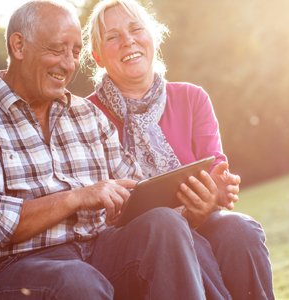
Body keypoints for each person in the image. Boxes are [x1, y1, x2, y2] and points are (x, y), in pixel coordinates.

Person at [0, 1, 220, 299]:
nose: (69, 64)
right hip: (16, 267)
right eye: (57, 50)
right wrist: (77, 197)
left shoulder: (87, 115)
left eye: (75, 53)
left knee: (163, 224)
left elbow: (136, 189)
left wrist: (189, 203)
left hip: (96, 251)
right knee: (78, 279)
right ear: (18, 46)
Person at [81, 0, 275, 299]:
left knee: (240, 231)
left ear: (154, 38)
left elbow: (215, 170)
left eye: (136, 29)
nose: (128, 41)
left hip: (198, 220)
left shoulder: (191, 97)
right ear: (97, 56)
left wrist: (214, 193)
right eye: (113, 37)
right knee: (176, 233)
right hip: (133, 240)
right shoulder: (84, 115)